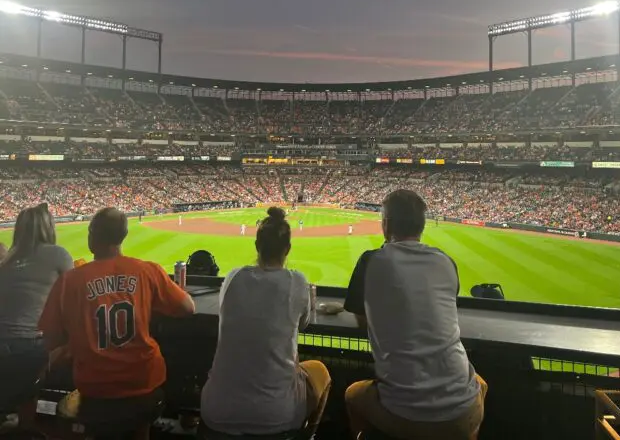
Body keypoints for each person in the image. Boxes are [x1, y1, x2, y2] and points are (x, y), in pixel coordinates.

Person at [38, 207, 196, 436]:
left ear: (92, 235)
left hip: (95, 390)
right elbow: (188, 308)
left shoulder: (69, 280)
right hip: (143, 383)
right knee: (140, 421)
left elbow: (50, 337)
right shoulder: (147, 271)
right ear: (123, 235)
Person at [343, 189, 486, 440]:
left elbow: (363, 322)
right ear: (421, 225)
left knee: (352, 395)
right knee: (480, 385)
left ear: (386, 225)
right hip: (466, 410)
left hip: (403, 414)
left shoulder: (371, 260)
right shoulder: (446, 261)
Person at [199, 207, 331, 438]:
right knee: (320, 371)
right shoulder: (297, 281)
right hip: (277, 414)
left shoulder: (233, 277)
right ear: (287, 249)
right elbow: (304, 323)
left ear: (257, 246)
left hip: (216, 410)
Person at [0, 204, 74, 400]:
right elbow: (76, 297)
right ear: (48, 227)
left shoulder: (6, 261)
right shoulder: (58, 254)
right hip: (32, 346)